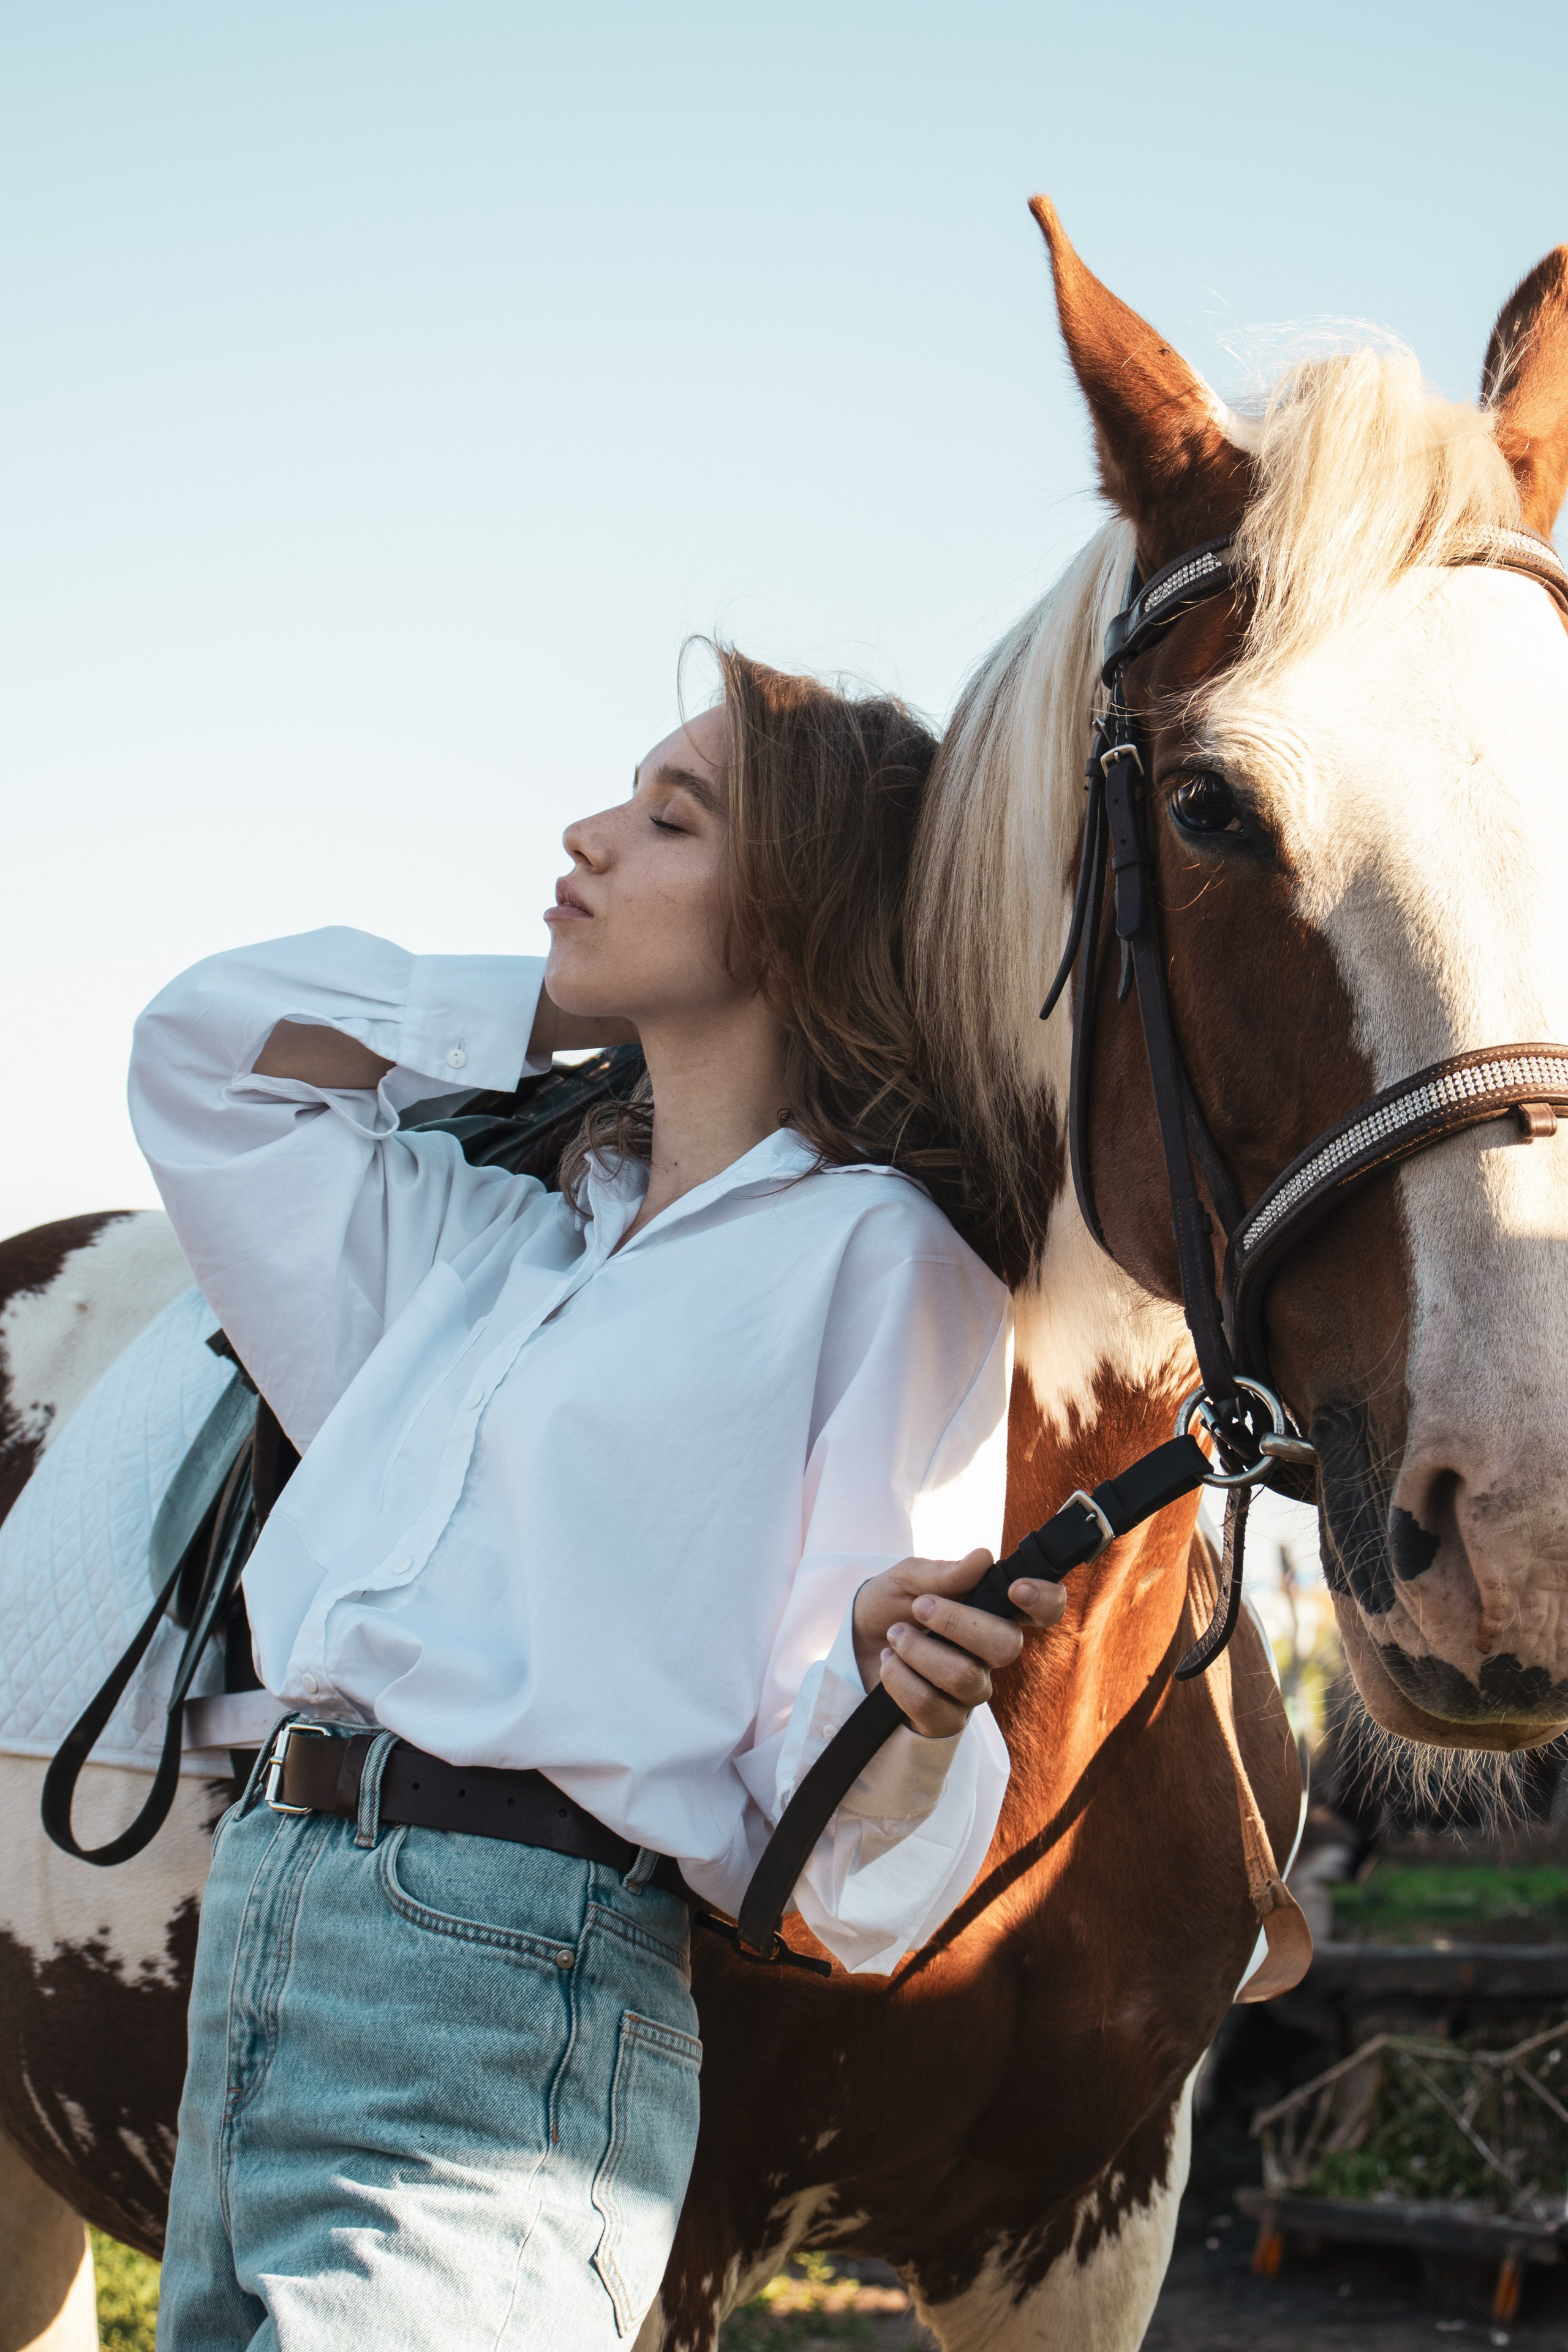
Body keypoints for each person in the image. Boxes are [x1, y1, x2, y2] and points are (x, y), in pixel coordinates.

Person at [132, 649, 1066, 2352]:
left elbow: (845, 1864)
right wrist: (573, 999)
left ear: (790, 918)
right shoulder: (485, 1242)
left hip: (505, 1990)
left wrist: (896, 1698)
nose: (586, 833)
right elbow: (205, 1057)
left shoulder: (883, 1264)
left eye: (668, 818)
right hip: (266, 1924)